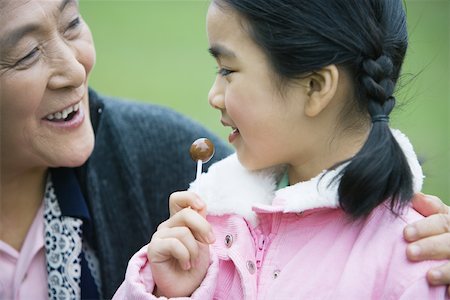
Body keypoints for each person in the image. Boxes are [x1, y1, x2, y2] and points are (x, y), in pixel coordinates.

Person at [0, 0, 448, 299]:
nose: (213, 95)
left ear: (315, 86)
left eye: (228, 71)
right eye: (24, 54)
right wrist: (166, 292)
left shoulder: (415, 260)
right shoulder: (217, 228)